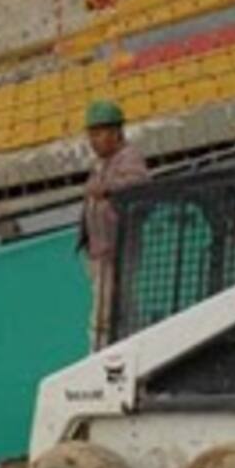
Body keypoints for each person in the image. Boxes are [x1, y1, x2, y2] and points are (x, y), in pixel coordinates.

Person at [78, 100, 150, 352]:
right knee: (116, 310)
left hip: (117, 251)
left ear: (116, 132)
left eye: (99, 133)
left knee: (105, 316)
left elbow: (139, 185)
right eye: (91, 134)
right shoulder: (101, 163)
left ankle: (99, 359)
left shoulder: (128, 157)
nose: (93, 140)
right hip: (100, 251)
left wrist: (107, 188)